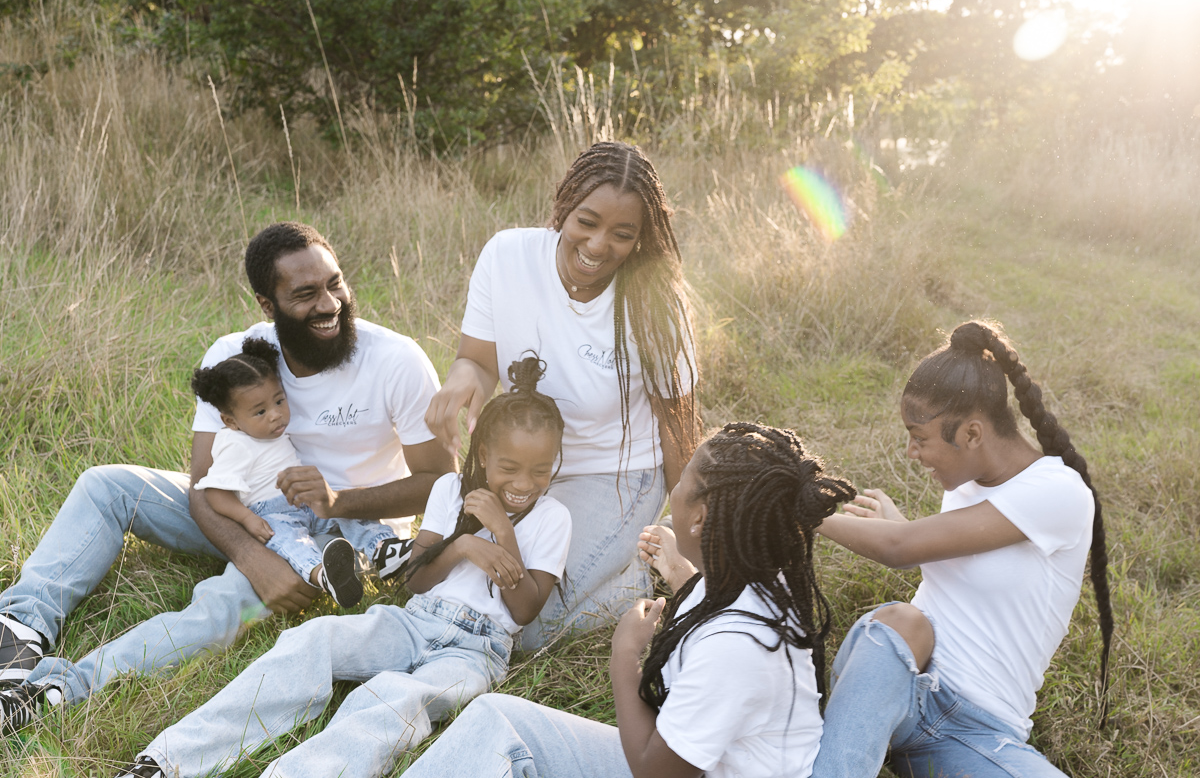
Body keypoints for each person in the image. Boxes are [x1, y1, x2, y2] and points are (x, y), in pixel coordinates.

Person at [0, 222, 452, 731]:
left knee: (218, 606)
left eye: (335, 283)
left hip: (346, 534)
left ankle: (56, 689)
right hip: (250, 508)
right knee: (106, 484)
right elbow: (203, 485)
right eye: (305, 294)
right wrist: (251, 556)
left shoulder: (396, 360)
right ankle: (18, 630)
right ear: (267, 304)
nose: (330, 304)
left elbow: (440, 481)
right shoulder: (235, 358)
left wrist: (338, 501)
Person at [115, 356, 572, 778]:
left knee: (393, 701)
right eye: (510, 467)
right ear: (485, 454)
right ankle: (165, 762)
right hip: (415, 621)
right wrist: (465, 545)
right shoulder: (451, 490)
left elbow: (525, 609)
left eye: (540, 471)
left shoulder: (553, 517)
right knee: (311, 640)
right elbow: (415, 581)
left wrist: (504, 535)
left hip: (474, 652)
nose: (523, 483)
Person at [399, 422, 857, 778]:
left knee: (497, 726)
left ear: (698, 518)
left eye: (680, 485)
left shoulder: (737, 648)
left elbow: (656, 771)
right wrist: (680, 573)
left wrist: (626, 653)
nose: (670, 493)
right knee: (496, 719)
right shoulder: (759, 579)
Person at [425, 141, 700, 648]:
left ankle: (639, 581)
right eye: (586, 222)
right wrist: (464, 377)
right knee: (458, 585)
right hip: (524, 461)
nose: (598, 246)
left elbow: (679, 429)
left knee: (524, 629)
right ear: (563, 207)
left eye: (622, 234)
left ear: (641, 239)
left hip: (615, 473)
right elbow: (478, 361)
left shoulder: (656, 304)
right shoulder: (507, 256)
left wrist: (693, 542)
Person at [809, 320, 1113, 777]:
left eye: (921, 437)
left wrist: (803, 511)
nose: (912, 452)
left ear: (973, 434)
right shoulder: (967, 482)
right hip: (897, 680)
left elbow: (899, 549)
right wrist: (905, 534)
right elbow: (918, 552)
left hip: (978, 732)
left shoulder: (1059, 493)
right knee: (900, 619)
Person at [191, 337, 411, 608]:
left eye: (279, 401)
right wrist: (247, 519)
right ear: (231, 421)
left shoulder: (273, 432)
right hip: (270, 513)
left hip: (303, 501)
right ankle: (324, 575)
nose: (276, 415)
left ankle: (385, 550)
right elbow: (215, 493)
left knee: (348, 513)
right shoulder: (235, 443)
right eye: (260, 411)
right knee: (291, 542)